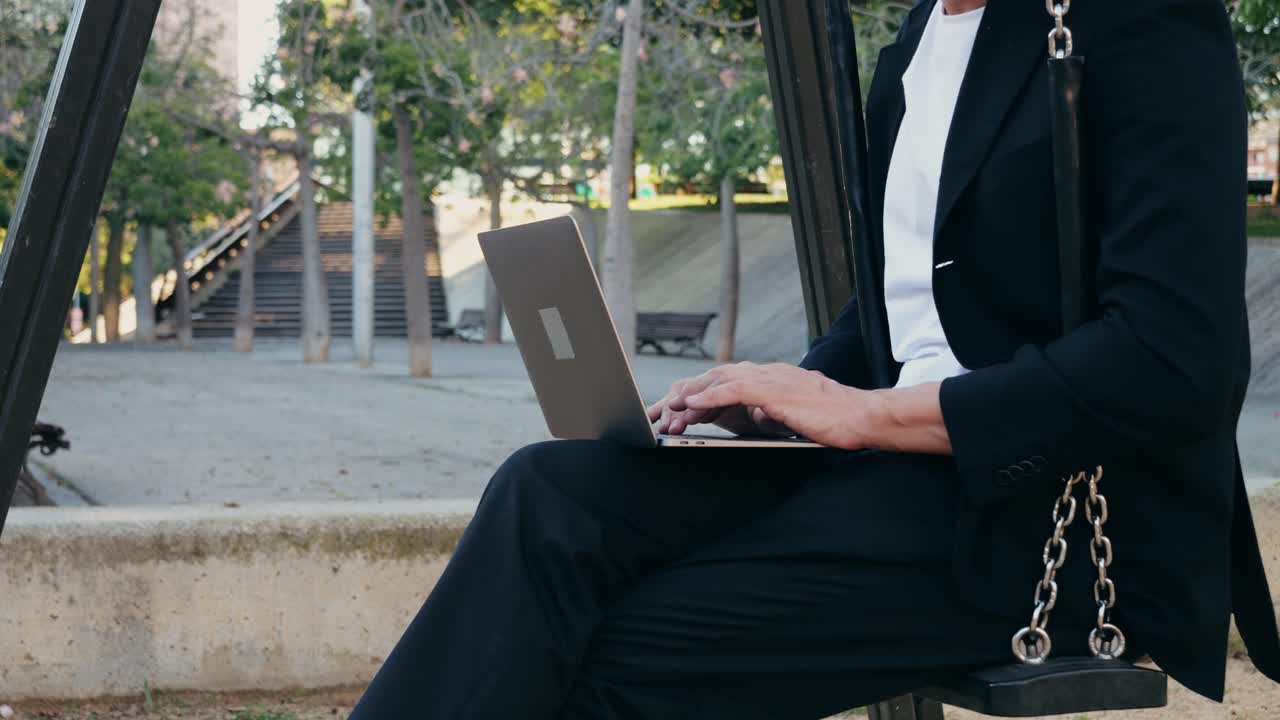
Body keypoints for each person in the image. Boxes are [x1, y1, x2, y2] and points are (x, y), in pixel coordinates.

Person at [350, 0, 1280, 717]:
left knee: (617, 654)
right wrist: (792, 392)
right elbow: (912, 302)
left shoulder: (1144, 24)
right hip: (896, 464)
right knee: (547, 493)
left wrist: (865, 415)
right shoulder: (920, 40)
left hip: (1048, 513)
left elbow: (1174, 362)